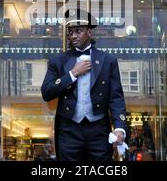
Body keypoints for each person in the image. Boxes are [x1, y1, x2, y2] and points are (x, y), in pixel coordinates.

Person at [41, 9, 127, 161]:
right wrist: (72, 74)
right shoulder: (58, 61)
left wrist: (119, 128)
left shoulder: (108, 61)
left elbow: (116, 97)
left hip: (99, 129)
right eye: (70, 32)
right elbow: (46, 92)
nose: (73, 36)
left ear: (89, 32)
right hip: (69, 130)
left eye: (78, 31)